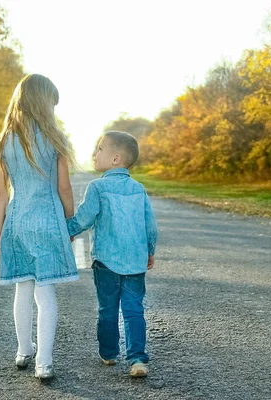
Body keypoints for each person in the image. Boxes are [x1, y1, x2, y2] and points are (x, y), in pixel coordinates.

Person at [0, 74, 78, 382]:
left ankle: (24, 349)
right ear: (44, 104)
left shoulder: (3, 142)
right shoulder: (56, 140)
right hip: (47, 222)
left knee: (22, 288)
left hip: (16, 223)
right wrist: (71, 224)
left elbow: (1, 195)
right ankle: (44, 361)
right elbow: (65, 190)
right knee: (46, 292)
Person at [66, 130, 157, 378]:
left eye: (99, 149)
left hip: (106, 261)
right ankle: (138, 359)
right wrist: (149, 250)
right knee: (134, 310)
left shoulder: (97, 187)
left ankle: (108, 353)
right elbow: (150, 224)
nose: (94, 154)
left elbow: (84, 218)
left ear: (115, 159)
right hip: (136, 261)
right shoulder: (138, 189)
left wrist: (66, 230)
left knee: (107, 309)